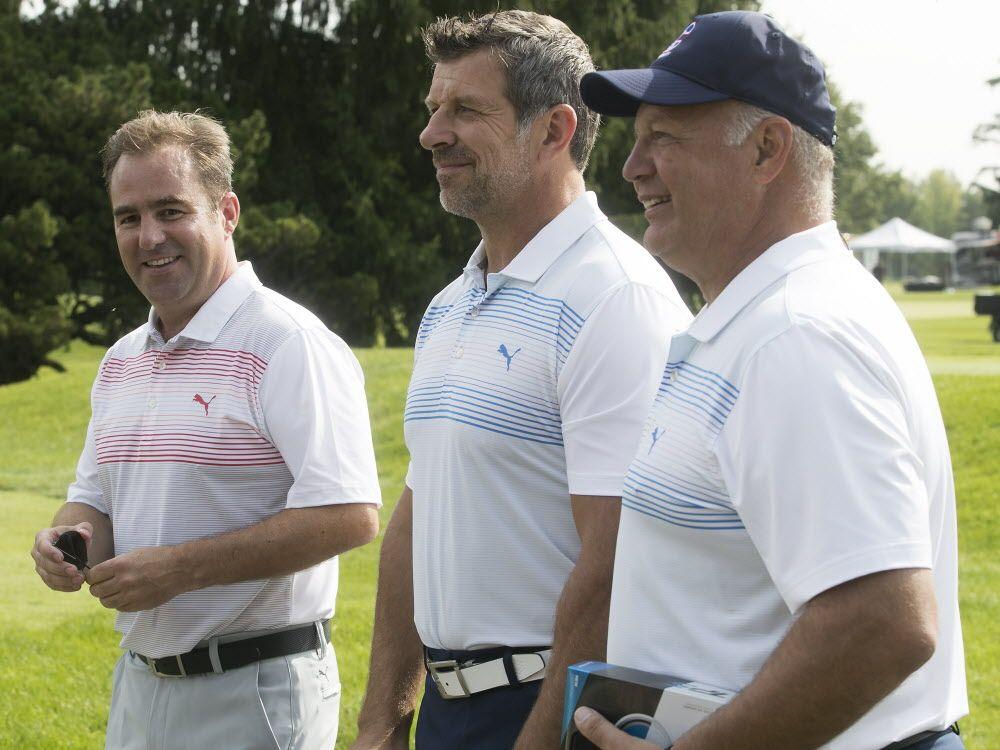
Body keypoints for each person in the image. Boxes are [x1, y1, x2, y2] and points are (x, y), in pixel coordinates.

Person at [573, 10, 967, 750]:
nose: (631, 167)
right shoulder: (759, 321)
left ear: (766, 149)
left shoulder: (797, 335)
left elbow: (884, 621)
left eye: (664, 136)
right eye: (635, 139)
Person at [351, 10, 691, 750]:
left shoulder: (614, 297)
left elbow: (617, 558)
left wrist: (539, 739)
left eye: (466, 110)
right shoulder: (449, 305)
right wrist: (382, 716)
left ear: (554, 130)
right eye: (433, 109)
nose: (432, 133)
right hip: (448, 712)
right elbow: (420, 513)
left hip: (549, 708)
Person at [30, 110, 382, 750]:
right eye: (128, 217)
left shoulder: (287, 343)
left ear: (226, 212)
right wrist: (70, 536)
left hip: (256, 690)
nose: (148, 236)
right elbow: (95, 498)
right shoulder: (122, 359)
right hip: (140, 685)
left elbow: (349, 515)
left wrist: (179, 571)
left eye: (171, 210)